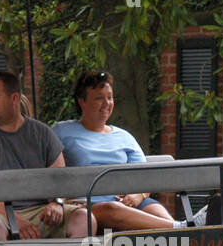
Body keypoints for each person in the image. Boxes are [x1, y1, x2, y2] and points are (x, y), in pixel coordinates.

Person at [0, 71, 94, 241]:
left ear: (14, 98)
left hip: (39, 211)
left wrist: (57, 204)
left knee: (85, 219)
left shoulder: (42, 132)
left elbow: (61, 181)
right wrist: (17, 221)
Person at [53, 70, 176, 231]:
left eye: (109, 97)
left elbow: (146, 176)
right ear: (82, 101)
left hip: (128, 204)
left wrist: (139, 195)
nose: (107, 103)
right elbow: (49, 170)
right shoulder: (61, 132)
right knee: (112, 209)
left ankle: (187, 231)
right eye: (99, 98)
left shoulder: (124, 137)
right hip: (87, 208)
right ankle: (185, 227)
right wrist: (61, 200)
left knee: (155, 209)